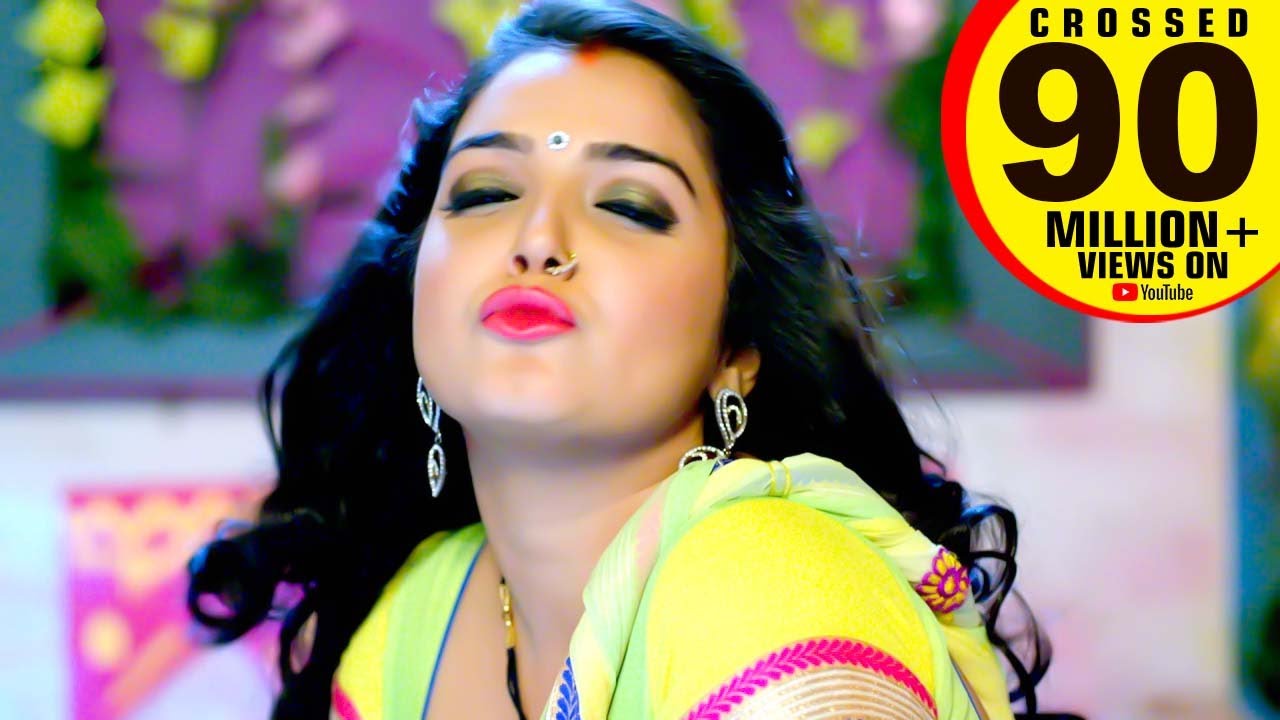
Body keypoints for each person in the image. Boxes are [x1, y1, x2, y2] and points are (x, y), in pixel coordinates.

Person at [186, 1, 1051, 718]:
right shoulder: (419, 613)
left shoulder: (774, 585)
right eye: (487, 192)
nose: (537, 240)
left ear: (736, 352)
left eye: (630, 206)